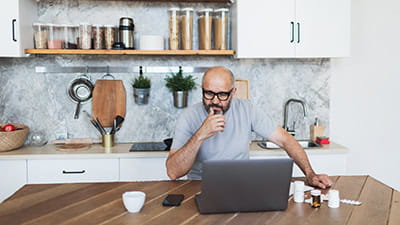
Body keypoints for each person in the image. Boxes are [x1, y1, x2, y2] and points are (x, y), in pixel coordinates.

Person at [166, 66, 332, 189]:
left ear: (233, 92)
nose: (215, 101)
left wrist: (310, 174)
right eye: (208, 93)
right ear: (202, 90)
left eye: (222, 94)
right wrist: (200, 135)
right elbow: (173, 172)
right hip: (200, 186)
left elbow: (285, 140)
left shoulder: (247, 109)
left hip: (241, 185)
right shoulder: (188, 116)